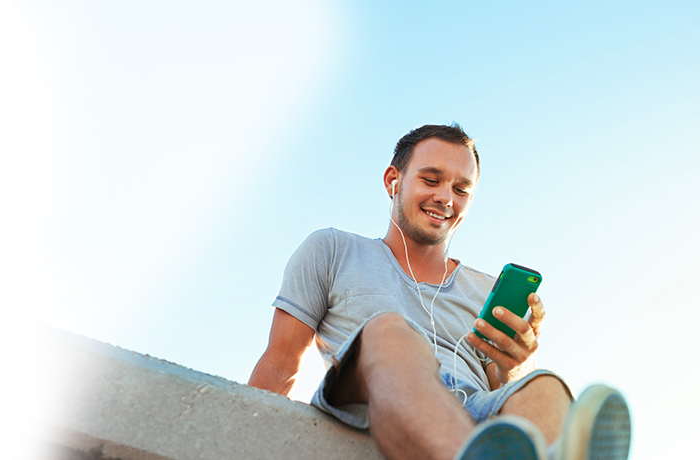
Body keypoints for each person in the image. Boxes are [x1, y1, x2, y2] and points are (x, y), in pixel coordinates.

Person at [248, 124, 631, 460]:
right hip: (374, 401)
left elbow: (502, 390)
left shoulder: (485, 291)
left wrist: (515, 365)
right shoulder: (331, 250)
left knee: (542, 385)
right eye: (431, 180)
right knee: (390, 331)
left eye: (461, 189)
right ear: (392, 181)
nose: (446, 198)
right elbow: (281, 363)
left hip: (476, 410)